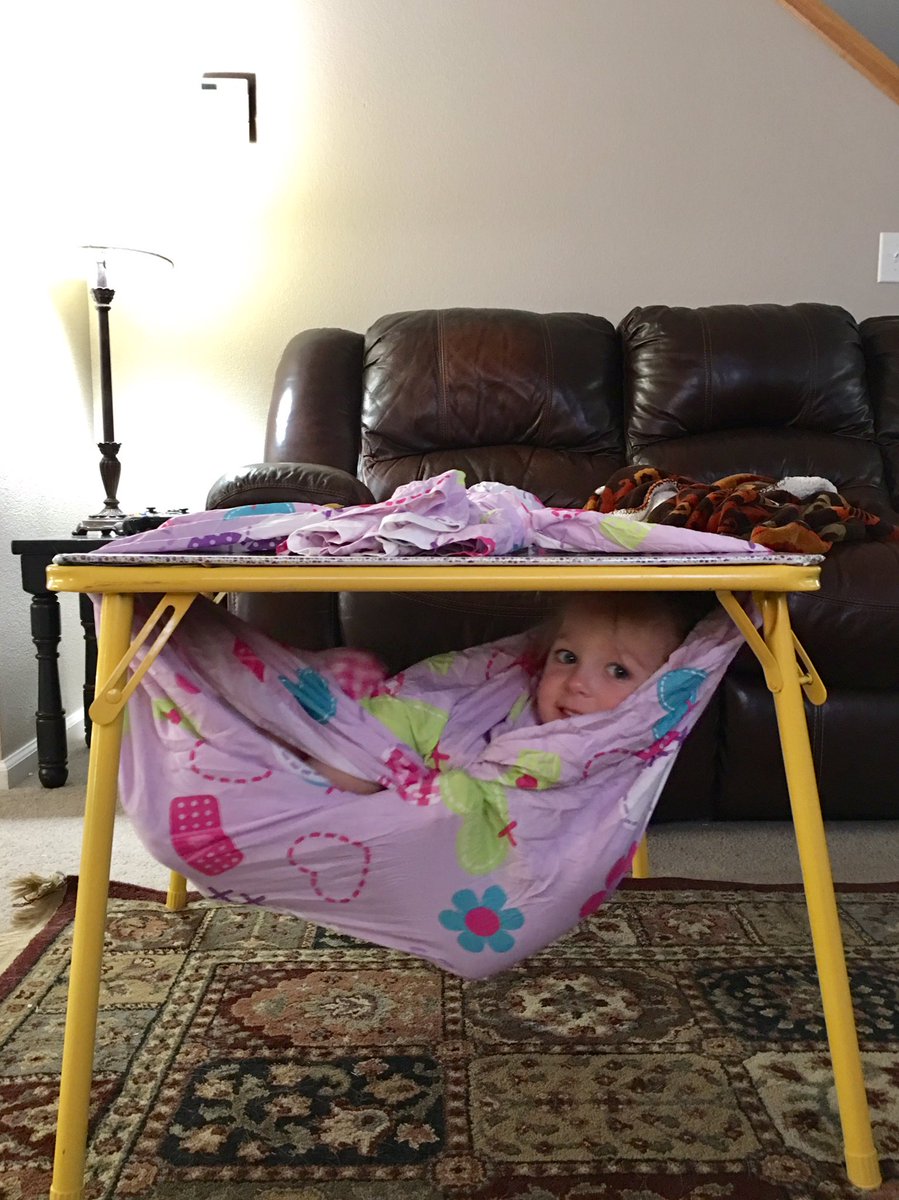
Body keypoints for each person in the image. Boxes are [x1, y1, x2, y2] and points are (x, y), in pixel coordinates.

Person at [302, 590, 708, 794]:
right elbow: (429, 715)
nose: (578, 683)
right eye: (566, 657)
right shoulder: (514, 702)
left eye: (618, 670)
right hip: (428, 738)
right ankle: (307, 794)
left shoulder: (625, 739)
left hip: (465, 812)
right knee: (377, 727)